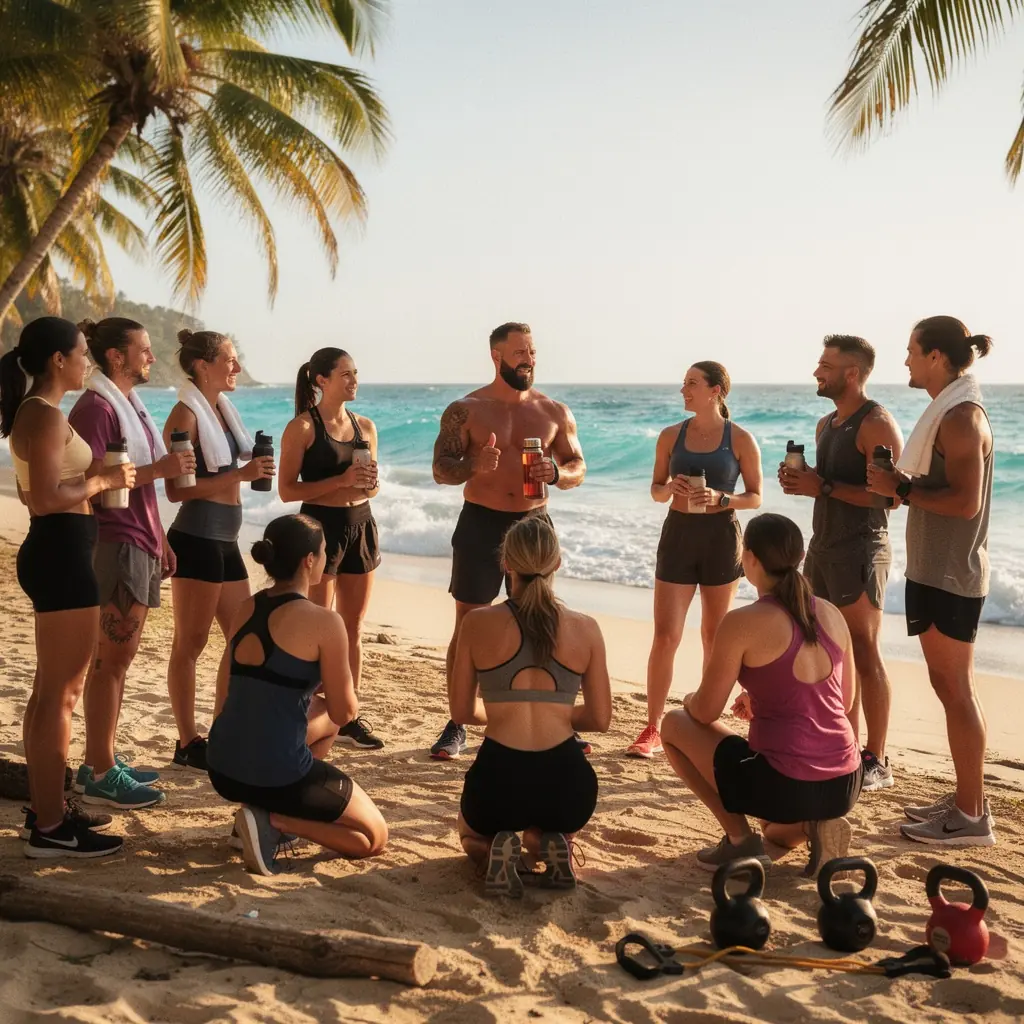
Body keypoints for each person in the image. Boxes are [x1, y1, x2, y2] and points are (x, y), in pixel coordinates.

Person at [660, 513, 863, 878]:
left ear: (748, 558)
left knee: (674, 724)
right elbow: (843, 702)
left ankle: (739, 840)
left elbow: (705, 712)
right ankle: (813, 828)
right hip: (845, 783)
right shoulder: (831, 613)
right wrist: (762, 697)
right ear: (799, 557)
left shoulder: (743, 622)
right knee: (775, 832)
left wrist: (690, 699)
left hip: (787, 783)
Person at [0, 317, 135, 858]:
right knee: (62, 695)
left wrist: (128, 476)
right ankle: (51, 828)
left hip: (58, 552)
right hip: (59, 553)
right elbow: (45, 497)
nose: (87, 361)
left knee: (48, 693)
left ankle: (46, 806)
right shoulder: (44, 416)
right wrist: (102, 481)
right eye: (82, 353)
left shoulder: (35, 414)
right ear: (59, 359)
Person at [430, 322, 586, 760]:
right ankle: (458, 722)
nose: (529, 359)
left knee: (542, 623)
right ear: (496, 356)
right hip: (481, 521)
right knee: (468, 625)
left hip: (534, 525)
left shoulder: (554, 410)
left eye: (533, 352)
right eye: (520, 352)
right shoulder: (466, 409)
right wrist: (474, 464)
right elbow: (441, 469)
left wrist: (556, 473)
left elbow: (577, 465)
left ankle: (554, 721)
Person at [867, 316, 996, 847]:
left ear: (937, 357)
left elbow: (966, 504)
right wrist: (903, 488)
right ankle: (969, 800)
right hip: (935, 570)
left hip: (952, 573)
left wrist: (904, 489)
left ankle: (970, 816)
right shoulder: (949, 410)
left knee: (956, 691)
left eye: (912, 351)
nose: (906, 361)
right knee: (950, 690)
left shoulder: (963, 417)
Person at [207, 514, 388, 876]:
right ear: (309, 560)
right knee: (373, 838)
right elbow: (345, 712)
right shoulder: (325, 621)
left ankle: (257, 811)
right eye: (323, 552)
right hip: (276, 773)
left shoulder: (247, 607)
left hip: (222, 766)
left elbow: (225, 687)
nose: (325, 559)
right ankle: (279, 823)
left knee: (315, 712)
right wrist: (337, 678)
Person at [68, 318, 197, 810]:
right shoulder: (97, 407)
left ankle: (99, 759)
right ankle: (100, 770)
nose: (152, 357)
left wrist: (159, 535)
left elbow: (134, 483)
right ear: (116, 357)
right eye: (143, 350)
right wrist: (162, 470)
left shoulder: (130, 407)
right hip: (115, 541)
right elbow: (94, 479)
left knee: (118, 663)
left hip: (138, 538)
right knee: (110, 662)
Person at [449, 517, 611, 896]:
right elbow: (600, 719)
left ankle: (491, 853)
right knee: (549, 825)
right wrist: (554, 712)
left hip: (499, 781)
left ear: (506, 564)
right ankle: (550, 845)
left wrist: (508, 711)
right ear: (557, 563)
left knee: (469, 831)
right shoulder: (586, 628)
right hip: (567, 785)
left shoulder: (477, 623)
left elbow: (461, 712)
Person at [779, 336, 903, 792]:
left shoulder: (876, 423)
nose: (817, 371)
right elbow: (822, 484)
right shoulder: (826, 423)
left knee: (864, 653)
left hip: (862, 549)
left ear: (852, 373)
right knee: (829, 651)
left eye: (825, 365)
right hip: (823, 548)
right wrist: (802, 482)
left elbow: (890, 498)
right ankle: (843, 744)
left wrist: (822, 487)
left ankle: (878, 758)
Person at [627, 362, 762, 759]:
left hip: (720, 537)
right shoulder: (671, 436)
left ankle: (705, 723)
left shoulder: (740, 439)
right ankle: (652, 727)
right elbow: (654, 491)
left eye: (691, 383)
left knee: (714, 637)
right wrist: (668, 487)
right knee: (666, 634)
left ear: (716, 391)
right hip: (679, 535)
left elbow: (755, 496)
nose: (683, 389)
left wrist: (723, 499)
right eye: (684, 382)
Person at [162, 329, 275, 770]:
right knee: (189, 645)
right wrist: (240, 475)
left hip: (226, 541)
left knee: (242, 637)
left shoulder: (222, 412)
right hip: (195, 540)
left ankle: (223, 727)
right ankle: (188, 741)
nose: (237, 367)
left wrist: (250, 471)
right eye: (229, 359)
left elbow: (235, 471)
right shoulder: (184, 416)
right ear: (203, 366)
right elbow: (176, 491)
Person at [279, 347, 383, 750]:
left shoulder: (366, 426)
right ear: (321, 380)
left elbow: (372, 485)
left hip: (362, 525)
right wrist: (340, 481)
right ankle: (310, 708)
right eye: (345, 374)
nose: (354, 381)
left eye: (356, 373)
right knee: (323, 626)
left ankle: (349, 714)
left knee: (353, 625)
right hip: (319, 530)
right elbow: (287, 490)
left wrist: (369, 482)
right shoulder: (303, 428)